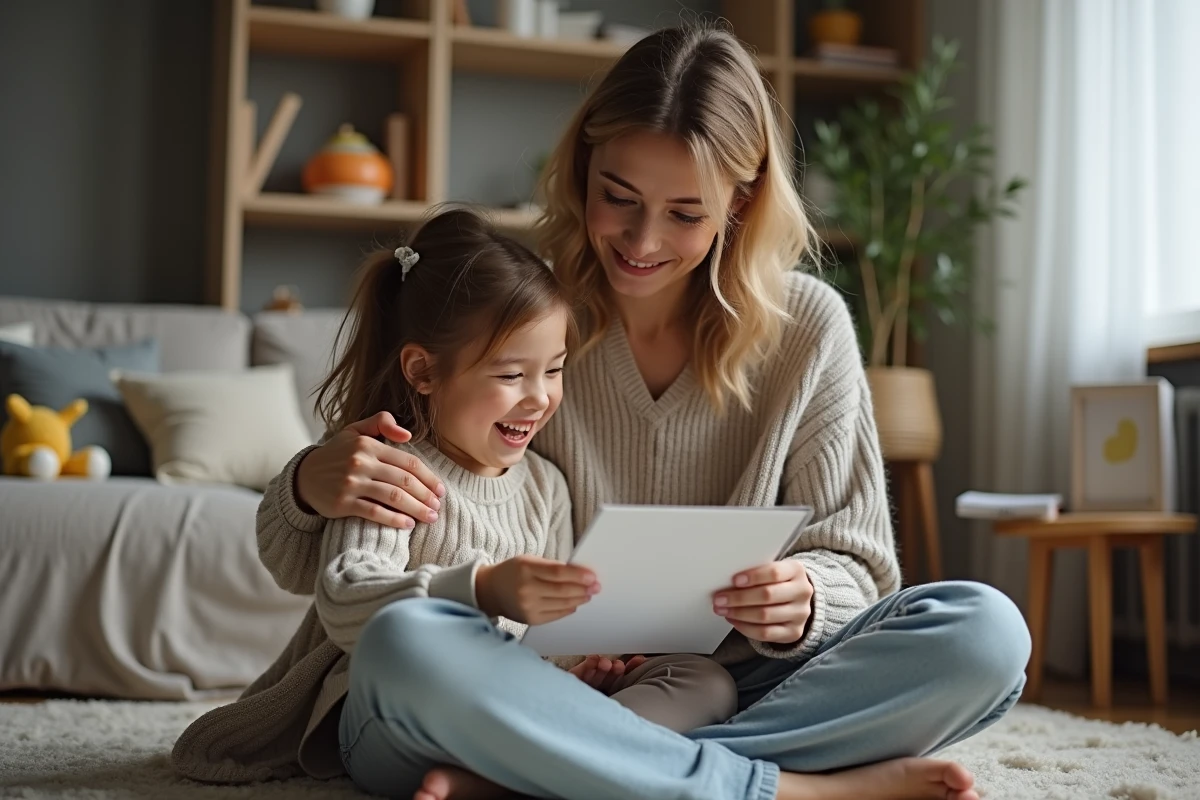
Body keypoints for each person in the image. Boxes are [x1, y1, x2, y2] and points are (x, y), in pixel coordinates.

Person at [223, 24, 1031, 800]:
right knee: (407, 645)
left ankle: (548, 774)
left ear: (741, 205)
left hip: (706, 681)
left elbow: (859, 561)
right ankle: (775, 787)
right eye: (619, 197)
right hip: (514, 680)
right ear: (581, 171)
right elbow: (329, 567)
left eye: (685, 214)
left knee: (983, 632)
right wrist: (305, 485)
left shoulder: (809, 328)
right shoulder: (520, 312)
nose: (642, 240)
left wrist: (807, 596)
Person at [170, 208, 742, 786]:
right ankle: (562, 761)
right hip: (393, 713)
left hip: (510, 707)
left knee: (703, 681)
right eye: (511, 375)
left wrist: (581, 670)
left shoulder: (547, 487)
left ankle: (504, 780)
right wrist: (482, 590)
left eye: (554, 370)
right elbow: (345, 602)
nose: (540, 398)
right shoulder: (392, 465)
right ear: (423, 370)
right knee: (407, 640)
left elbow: (554, 636)